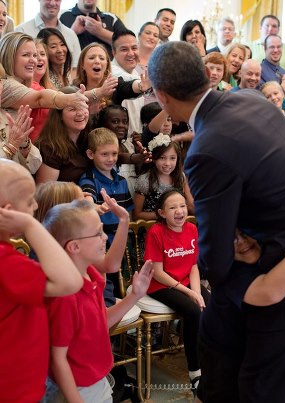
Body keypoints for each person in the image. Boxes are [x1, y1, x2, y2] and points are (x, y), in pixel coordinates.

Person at [148, 41, 285, 403]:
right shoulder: (249, 100)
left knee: (266, 389)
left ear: (161, 95)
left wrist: (235, 257)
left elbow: (216, 260)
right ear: (206, 73)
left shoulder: (204, 153)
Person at [43, 198, 153, 402]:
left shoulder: (91, 275)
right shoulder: (65, 297)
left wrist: (134, 296)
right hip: (77, 387)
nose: (104, 238)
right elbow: (57, 359)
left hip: (96, 378)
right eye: (98, 233)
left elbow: (100, 323)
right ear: (74, 246)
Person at [0, 159, 83, 403]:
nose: (36, 206)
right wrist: (30, 225)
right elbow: (70, 281)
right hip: (16, 388)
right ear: (8, 211)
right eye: (29, 202)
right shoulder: (6, 261)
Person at [144, 189, 210, 393]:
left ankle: (211, 362)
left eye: (182, 205)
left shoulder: (191, 228)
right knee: (192, 311)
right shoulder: (156, 231)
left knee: (211, 306)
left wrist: (198, 292)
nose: (179, 211)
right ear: (162, 213)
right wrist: (190, 294)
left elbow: (193, 267)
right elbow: (157, 273)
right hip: (159, 284)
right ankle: (195, 371)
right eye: (172, 207)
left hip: (185, 281)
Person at [79, 127, 134, 245]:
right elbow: (87, 202)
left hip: (122, 243)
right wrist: (98, 208)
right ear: (90, 154)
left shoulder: (122, 181)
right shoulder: (89, 179)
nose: (110, 159)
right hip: (99, 244)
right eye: (104, 154)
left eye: (114, 154)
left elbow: (128, 213)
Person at [35, 86, 90, 184]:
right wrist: (77, 195)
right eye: (72, 109)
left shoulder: (89, 138)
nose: (80, 113)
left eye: (83, 107)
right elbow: (44, 193)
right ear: (59, 115)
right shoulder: (49, 148)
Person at [134, 133, 194, 220]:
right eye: (162, 158)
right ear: (154, 158)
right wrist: (166, 215)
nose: (167, 163)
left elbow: (190, 205)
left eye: (172, 158)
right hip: (153, 228)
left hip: (176, 226)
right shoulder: (145, 181)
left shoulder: (181, 177)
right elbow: (137, 214)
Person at [97, 104, 150, 197]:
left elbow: (137, 173)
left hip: (132, 195)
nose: (121, 125)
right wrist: (135, 157)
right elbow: (119, 157)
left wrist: (139, 152)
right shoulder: (100, 146)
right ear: (103, 124)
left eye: (125, 122)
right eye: (115, 121)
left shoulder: (129, 145)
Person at [15, 0, 81, 72]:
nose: (52, 3)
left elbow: (76, 68)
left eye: (57, 0)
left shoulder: (70, 34)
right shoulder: (22, 31)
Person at [59, 0, 127, 58]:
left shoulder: (111, 18)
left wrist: (101, 32)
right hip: (73, 70)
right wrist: (73, 32)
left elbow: (127, 43)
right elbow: (54, 46)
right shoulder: (62, 16)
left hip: (108, 71)